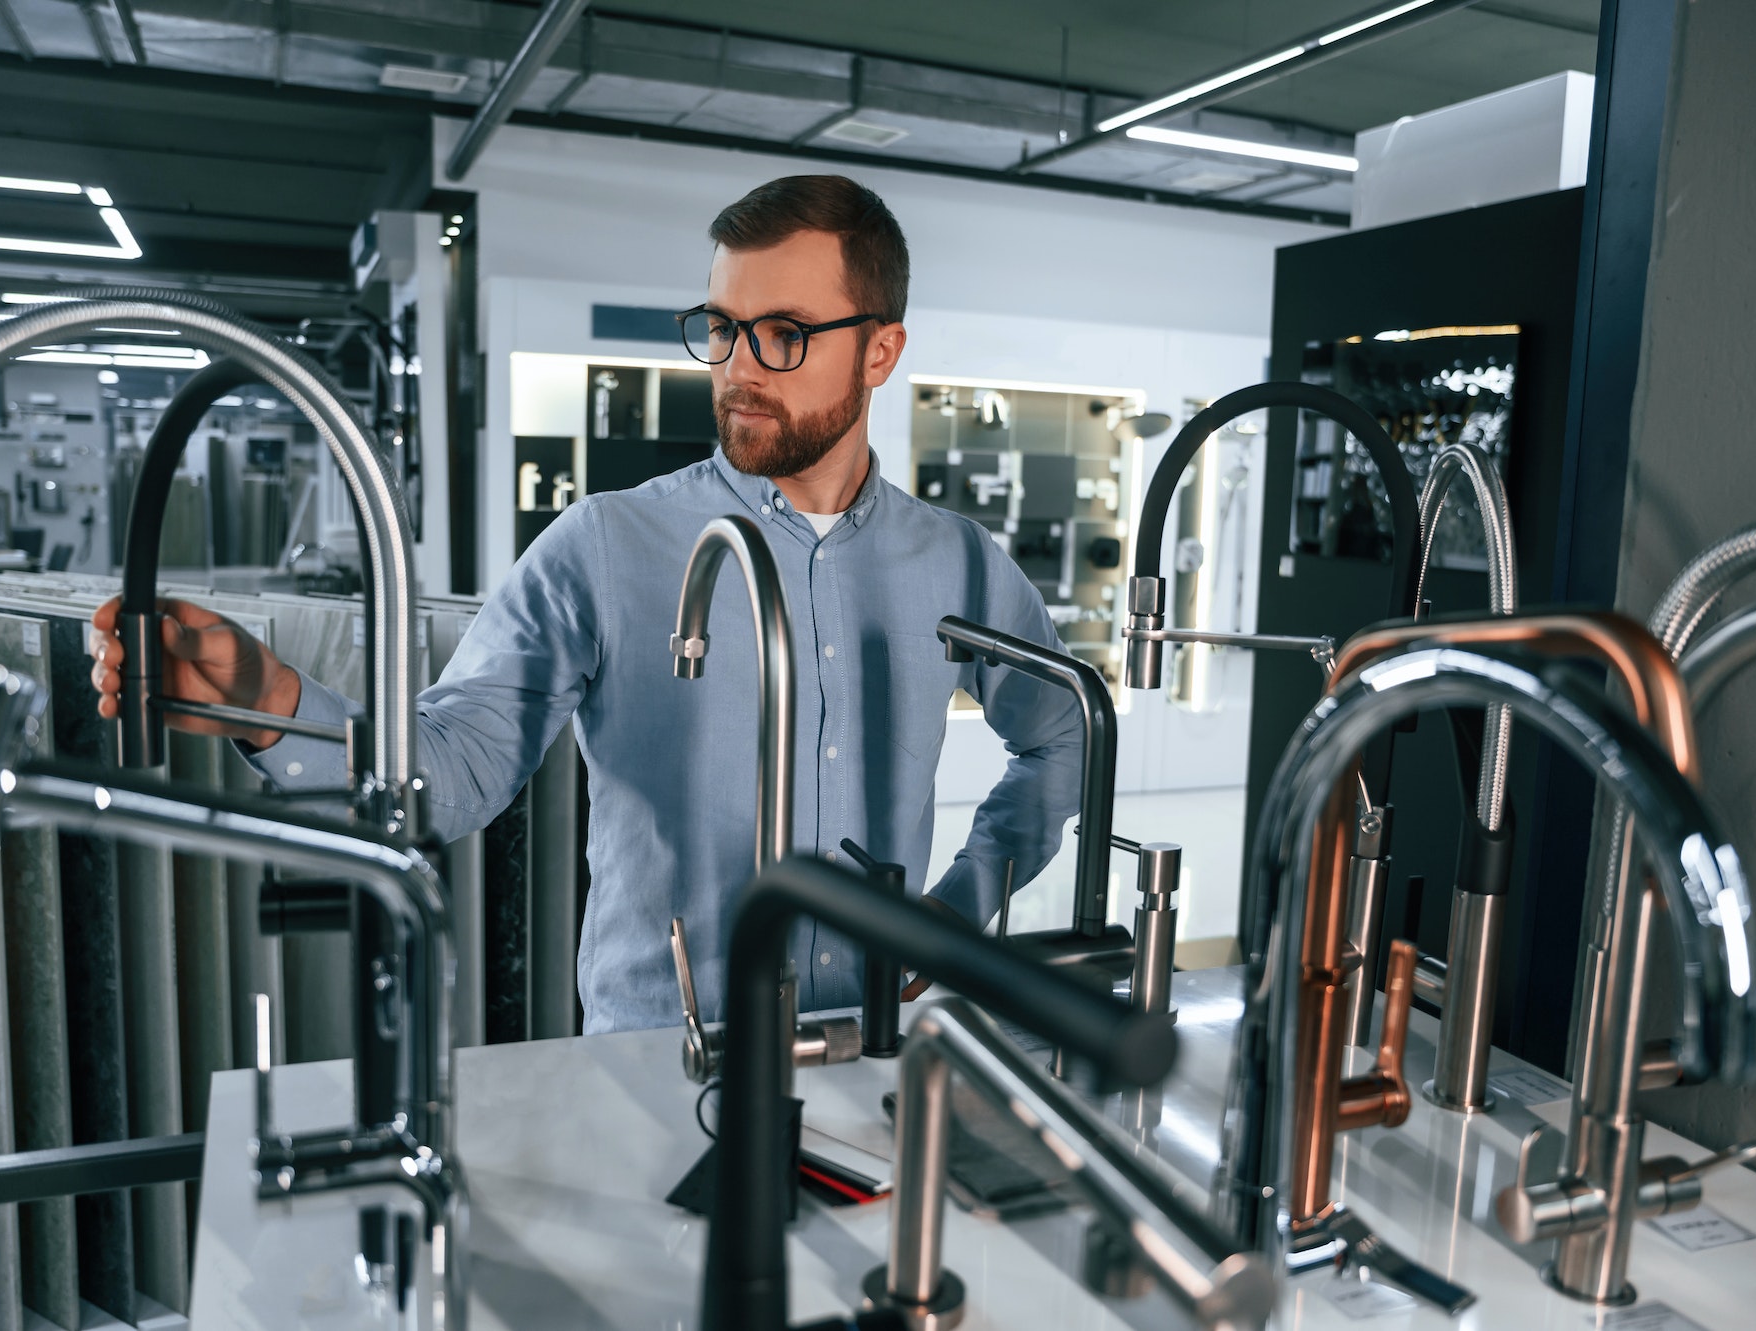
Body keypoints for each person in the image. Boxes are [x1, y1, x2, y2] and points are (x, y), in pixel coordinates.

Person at [88, 175, 1084, 1033]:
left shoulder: (954, 560)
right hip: (657, 1054)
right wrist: (265, 695)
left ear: (878, 351)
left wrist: (960, 907)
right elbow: (453, 769)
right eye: (725, 328)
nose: (738, 367)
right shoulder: (607, 545)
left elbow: (1065, 733)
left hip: (869, 1044)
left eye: (783, 334)